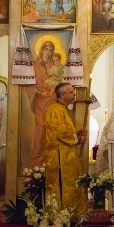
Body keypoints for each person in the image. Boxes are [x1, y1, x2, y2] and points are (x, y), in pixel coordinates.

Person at [44, 83, 87, 218]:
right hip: (59, 157)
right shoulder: (54, 109)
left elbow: (65, 131)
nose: (74, 94)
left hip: (67, 157)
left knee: (71, 186)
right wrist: (78, 139)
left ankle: (71, 215)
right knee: (61, 187)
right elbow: (60, 132)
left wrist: (76, 134)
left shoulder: (62, 109)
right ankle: (60, 218)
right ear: (63, 95)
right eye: (71, 92)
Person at [25, 41, 57, 169]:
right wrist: (38, 92)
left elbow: (57, 80)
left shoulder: (53, 65)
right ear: (41, 50)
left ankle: (48, 160)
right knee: (40, 129)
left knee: (51, 128)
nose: (48, 52)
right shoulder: (33, 65)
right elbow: (29, 84)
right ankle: (37, 161)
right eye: (46, 49)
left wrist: (52, 91)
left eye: (51, 50)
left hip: (52, 100)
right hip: (39, 101)